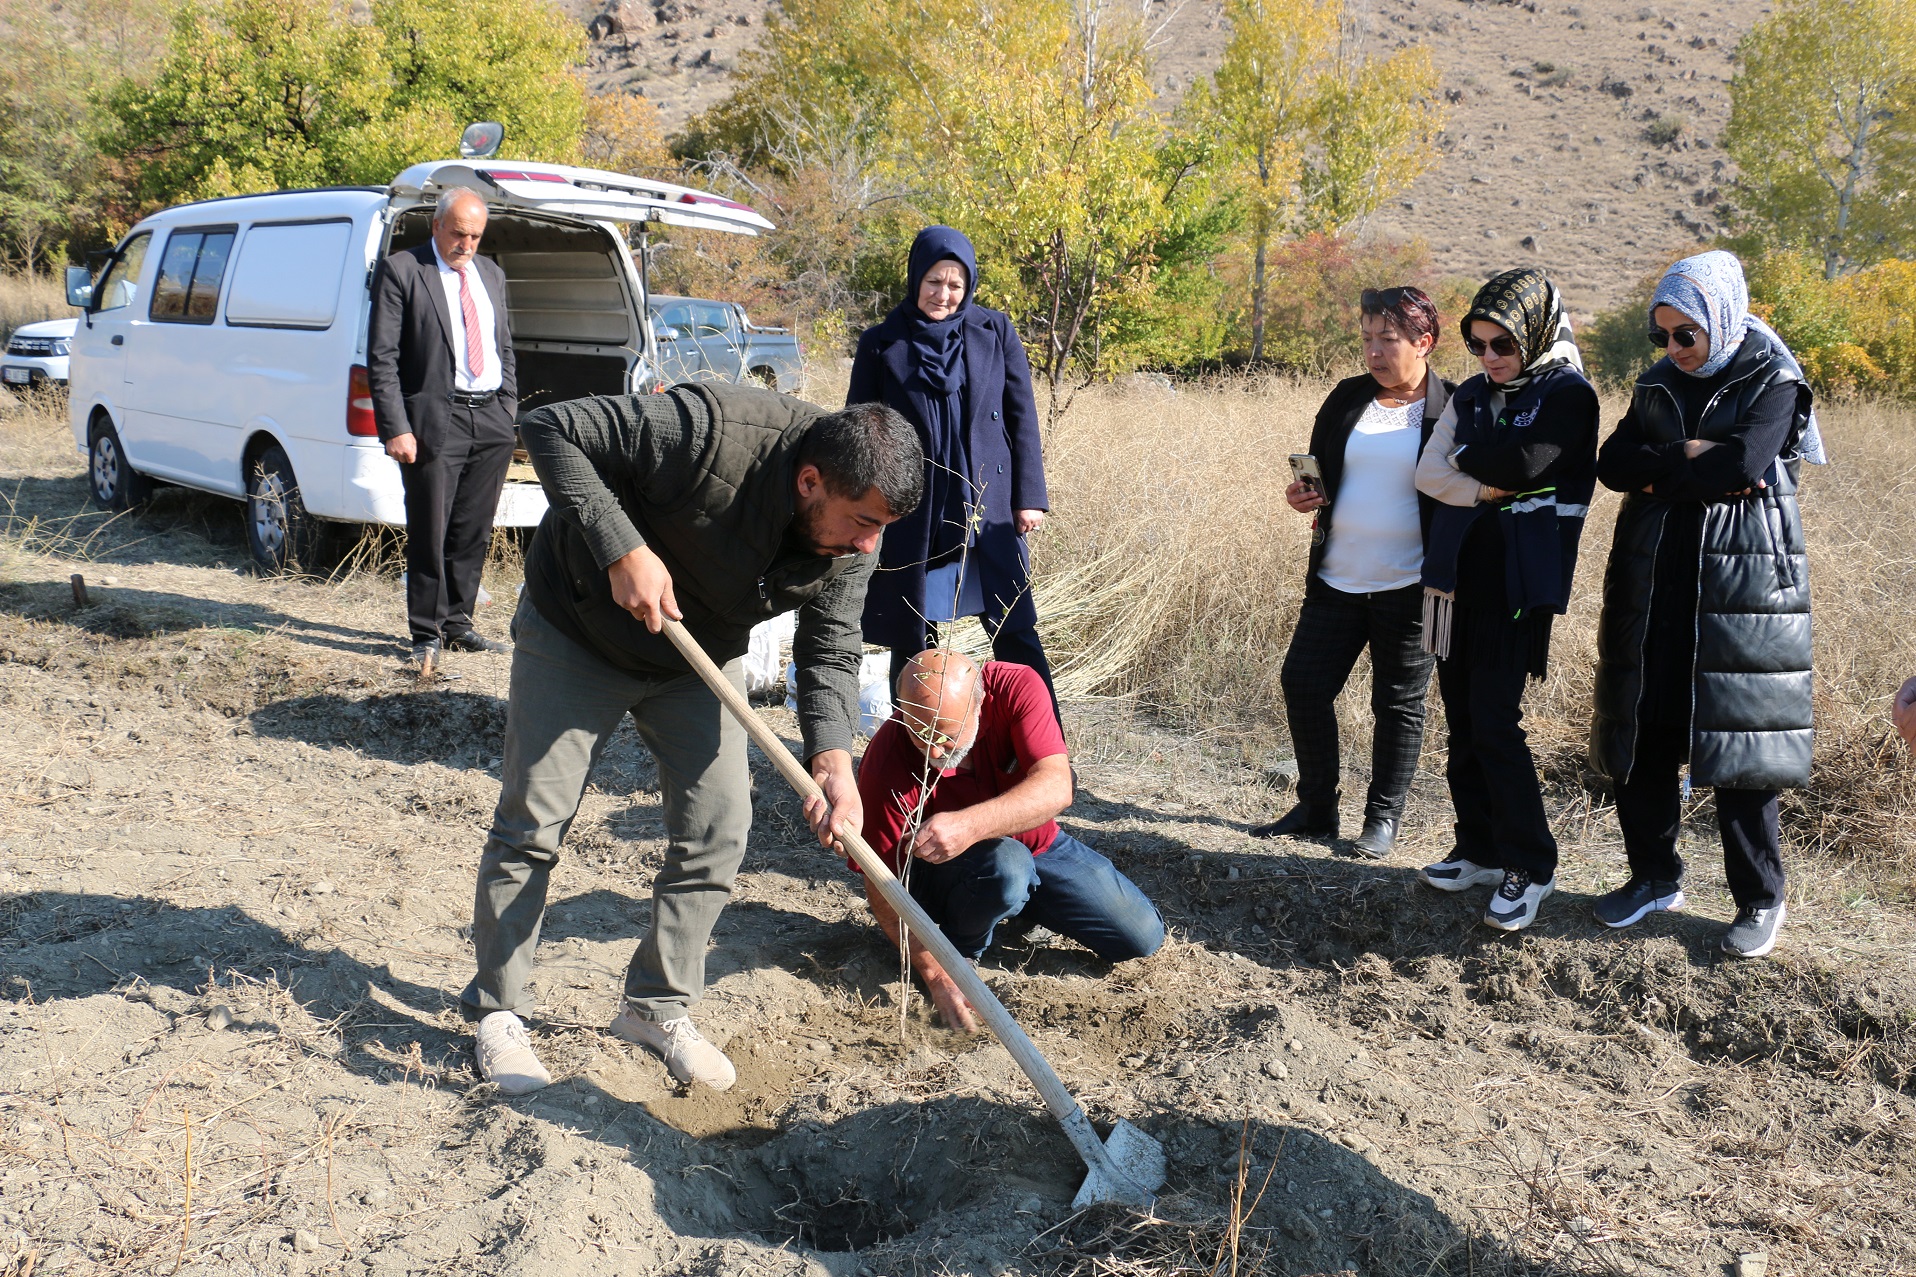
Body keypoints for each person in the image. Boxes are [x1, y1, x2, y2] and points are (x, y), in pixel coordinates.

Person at [461, 384, 924, 1094]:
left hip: (695, 653)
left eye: (881, 527)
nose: (869, 543)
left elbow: (829, 648)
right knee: (533, 820)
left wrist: (835, 763)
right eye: (862, 521)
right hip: (578, 627)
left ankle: (655, 1007)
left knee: (719, 827)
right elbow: (551, 426)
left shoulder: (859, 537)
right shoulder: (711, 430)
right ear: (810, 482)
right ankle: (499, 1011)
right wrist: (623, 549)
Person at [1588, 250, 1816, 959]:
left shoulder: (1774, 379)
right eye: (1663, 335)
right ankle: (1653, 876)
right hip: (1655, 576)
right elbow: (1613, 465)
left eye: (1686, 334)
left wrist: (1674, 467)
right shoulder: (1657, 383)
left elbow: (1742, 465)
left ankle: (1759, 897)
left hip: (1746, 588)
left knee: (1741, 740)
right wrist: (1686, 454)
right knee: (1645, 725)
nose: (1673, 350)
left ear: (1721, 316)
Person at [1413, 268, 1599, 931]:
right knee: (1461, 721)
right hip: (1449, 581)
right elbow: (1427, 473)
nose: (1490, 360)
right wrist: (1483, 475)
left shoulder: (1569, 396)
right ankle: (1480, 847)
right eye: (1480, 345)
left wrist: (1471, 457)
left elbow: (1528, 465)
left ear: (1537, 336)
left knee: (1495, 722)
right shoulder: (1470, 395)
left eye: (1504, 346)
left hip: (1518, 588)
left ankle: (1532, 864)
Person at [852, 649, 1164, 1031]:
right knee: (1008, 867)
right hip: (956, 875)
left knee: (1140, 937)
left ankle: (1014, 908)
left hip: (1042, 847)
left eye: (946, 737)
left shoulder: (1016, 686)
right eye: (919, 734)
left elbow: (1056, 787)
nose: (933, 750)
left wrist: (969, 825)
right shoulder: (887, 759)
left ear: (979, 705)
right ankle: (963, 949)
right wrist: (937, 972)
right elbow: (880, 882)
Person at [1253, 286, 1453, 858]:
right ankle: (1317, 807)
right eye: (1366, 339)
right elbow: (1323, 478)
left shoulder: (1454, 408)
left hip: (1413, 586)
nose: (1373, 352)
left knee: (1398, 704)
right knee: (1304, 684)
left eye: (1387, 340)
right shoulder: (1346, 398)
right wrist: (1305, 496)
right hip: (1337, 577)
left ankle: (1383, 819)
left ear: (1424, 342)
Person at [847, 226, 1059, 721]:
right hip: (913, 511)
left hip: (986, 504)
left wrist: (1029, 495)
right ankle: (916, 750)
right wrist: (864, 508)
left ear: (969, 287)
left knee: (1015, 630)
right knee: (914, 637)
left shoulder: (995, 331)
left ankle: (1044, 753)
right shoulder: (880, 344)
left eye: (955, 285)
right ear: (915, 278)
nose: (943, 295)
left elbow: (1020, 415)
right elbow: (859, 426)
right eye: (934, 282)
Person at [368, 188, 519, 666]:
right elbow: (382, 359)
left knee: (473, 528)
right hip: (437, 420)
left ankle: (458, 623)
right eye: (458, 233)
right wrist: (396, 427)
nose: (467, 244)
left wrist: (508, 408)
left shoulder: (491, 274)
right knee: (431, 528)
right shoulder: (403, 270)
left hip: (490, 417)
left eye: (475, 235)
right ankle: (426, 633)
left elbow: (504, 347)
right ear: (436, 226)